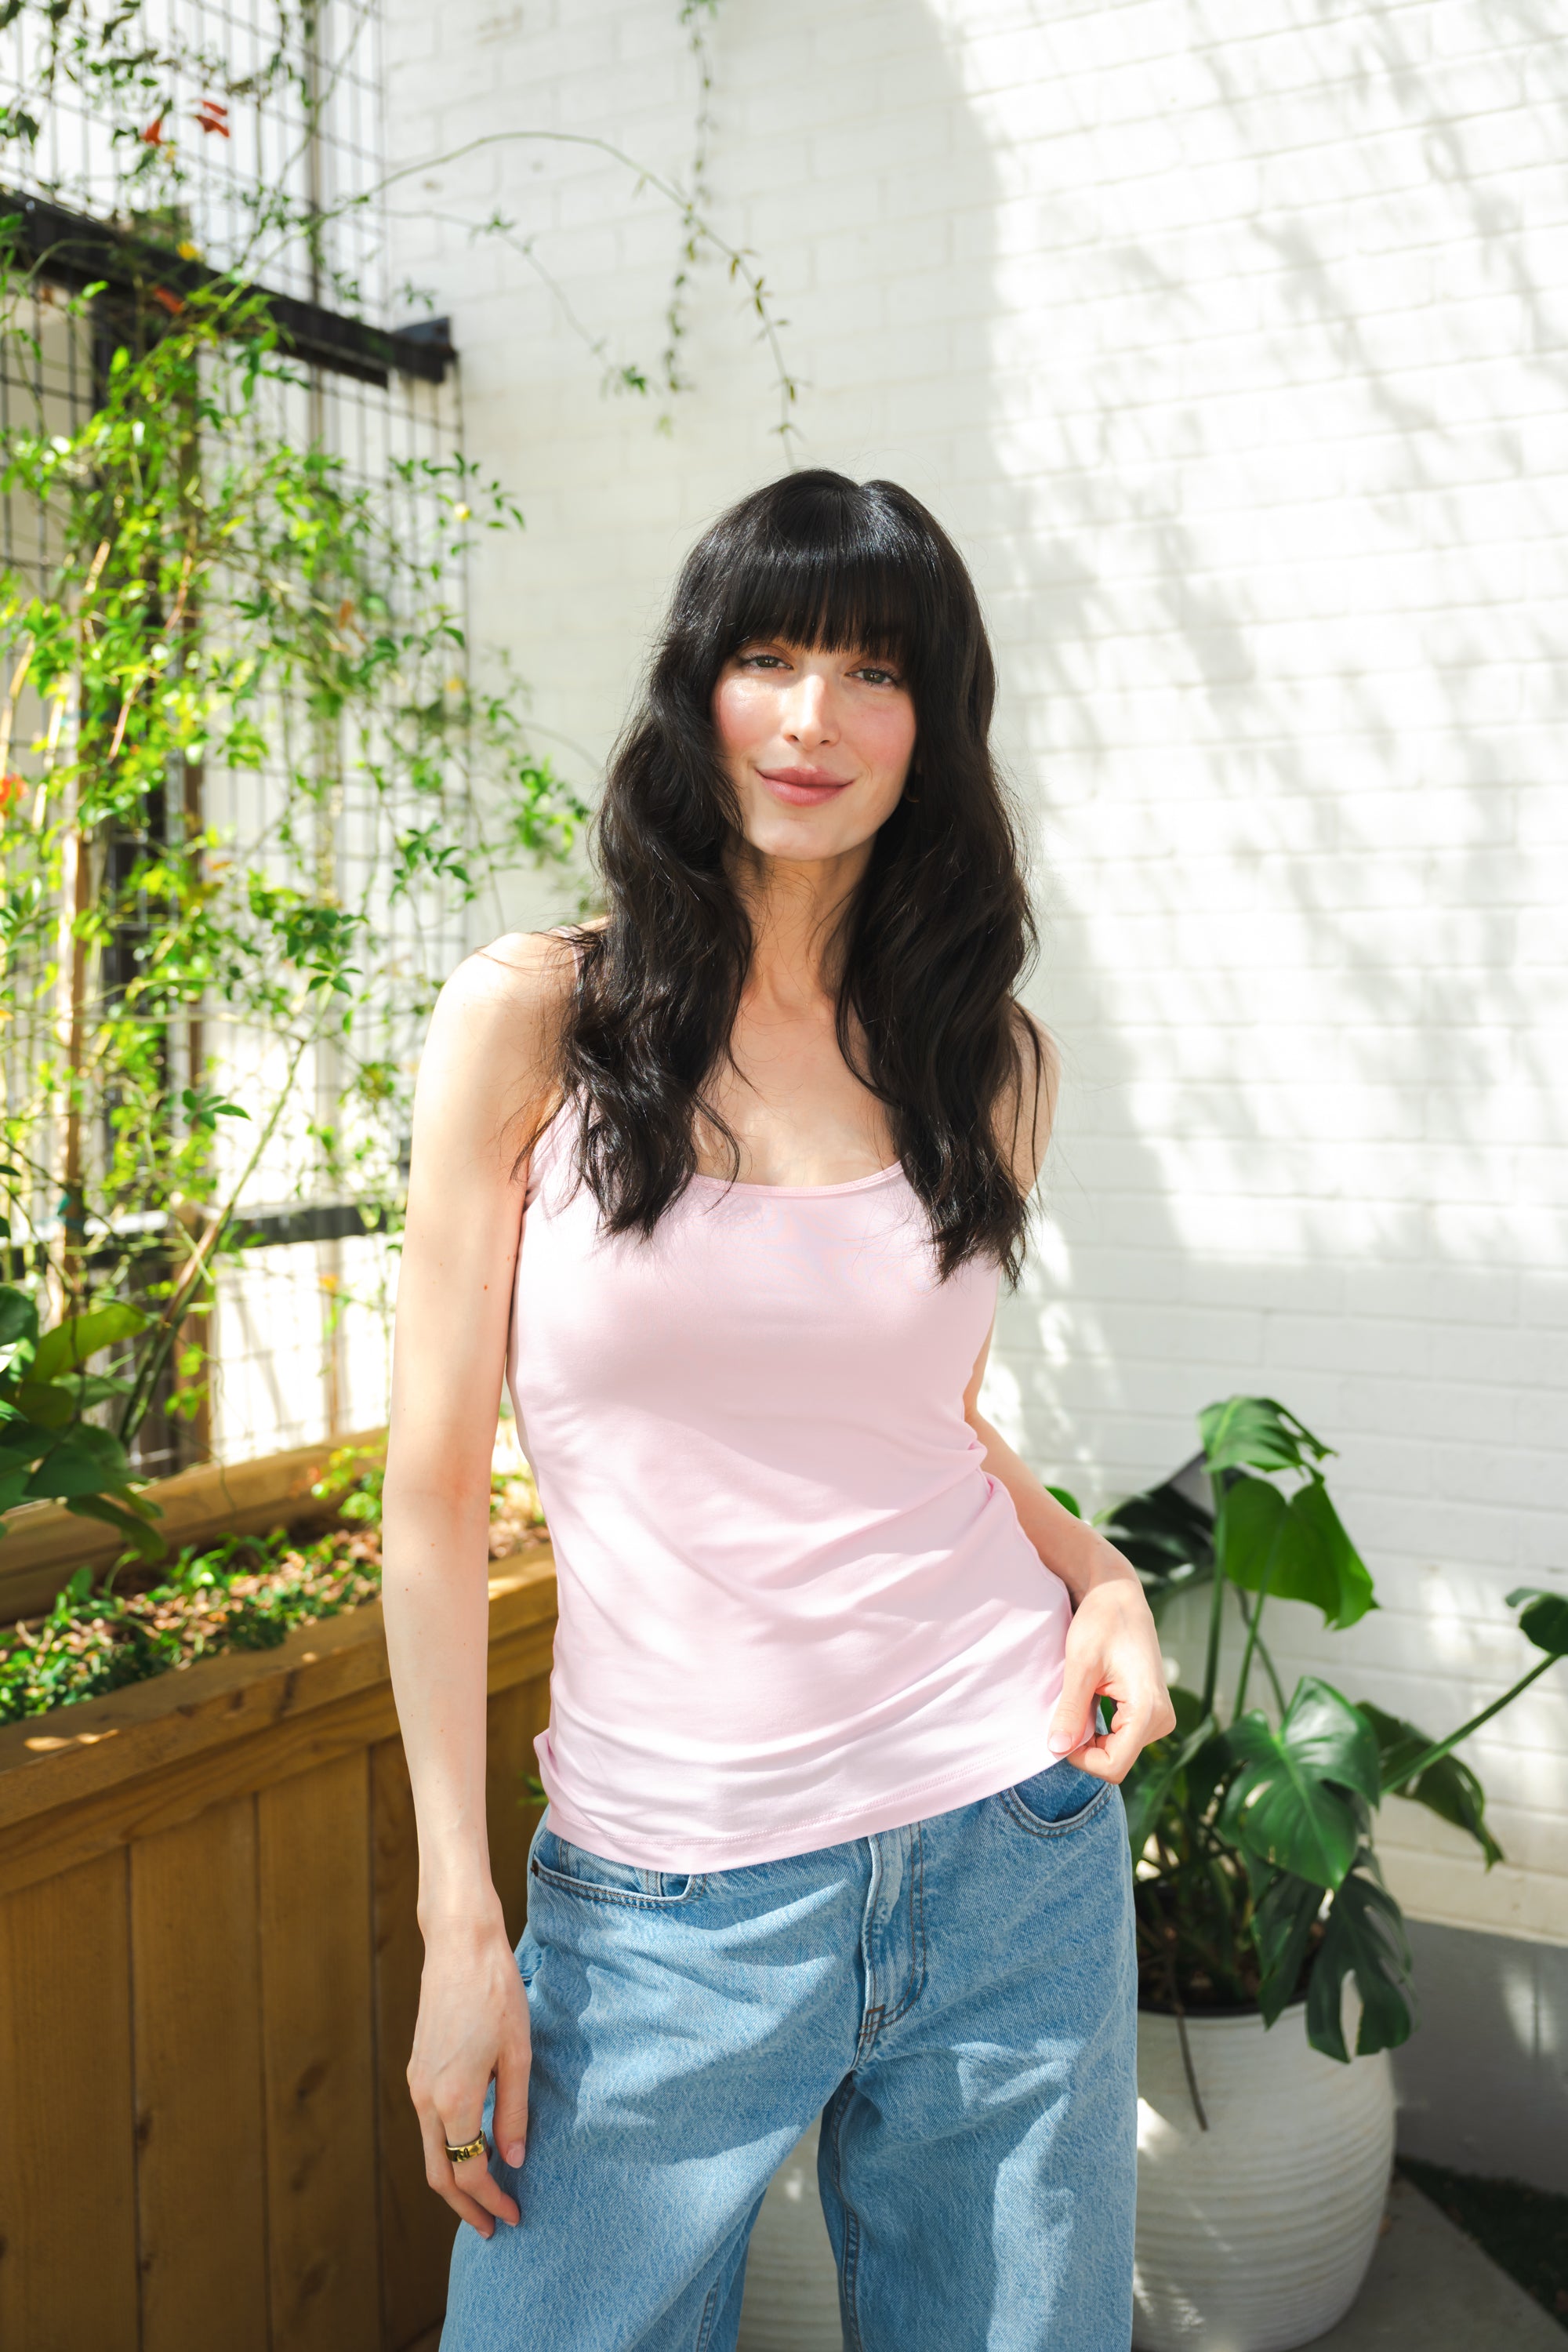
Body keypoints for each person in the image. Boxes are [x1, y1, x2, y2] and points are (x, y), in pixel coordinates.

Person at [382, 470, 1175, 2352]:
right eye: (767, 655)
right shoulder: (538, 1020)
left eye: (872, 672)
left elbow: (920, 1426)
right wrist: (456, 1925)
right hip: (665, 1899)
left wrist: (1101, 1576)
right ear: (698, 690)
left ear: (933, 726)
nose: (814, 716)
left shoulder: (985, 1060)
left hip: (1010, 1844)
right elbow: (423, 1502)